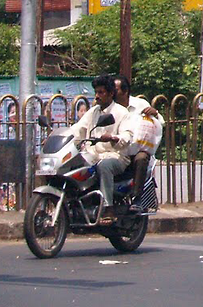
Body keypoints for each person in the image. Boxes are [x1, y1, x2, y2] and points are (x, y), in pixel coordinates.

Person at [68, 74, 129, 224]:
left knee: (104, 166)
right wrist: (61, 136)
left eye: (101, 92)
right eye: (96, 92)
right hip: (92, 155)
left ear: (111, 93)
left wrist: (113, 138)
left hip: (115, 156)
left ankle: (108, 208)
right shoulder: (93, 112)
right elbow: (78, 129)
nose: (97, 96)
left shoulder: (122, 113)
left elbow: (127, 137)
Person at [112, 75, 163, 211]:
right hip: (116, 150)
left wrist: (155, 113)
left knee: (141, 157)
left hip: (137, 149)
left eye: (115, 89)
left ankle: (137, 198)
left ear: (125, 91)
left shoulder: (140, 104)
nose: (112, 92)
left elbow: (159, 124)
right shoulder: (111, 107)